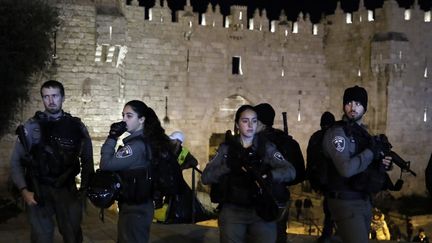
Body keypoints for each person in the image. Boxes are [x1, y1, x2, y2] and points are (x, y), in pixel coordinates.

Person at [10, 80, 94, 243]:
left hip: (67, 191)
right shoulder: (31, 127)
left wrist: (84, 192)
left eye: (54, 96)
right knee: (41, 238)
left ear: (63, 97)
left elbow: (87, 160)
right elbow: (15, 161)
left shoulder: (77, 127)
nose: (50, 101)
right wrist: (24, 190)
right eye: (46, 97)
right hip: (39, 192)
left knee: (73, 236)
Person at [201, 104, 296, 243]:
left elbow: (290, 171)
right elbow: (206, 176)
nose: (250, 125)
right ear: (237, 124)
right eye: (245, 121)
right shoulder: (226, 149)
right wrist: (228, 166)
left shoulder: (267, 147)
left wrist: (269, 175)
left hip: (261, 210)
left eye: (254, 121)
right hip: (233, 210)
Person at [321, 85, 393, 243]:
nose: (353, 108)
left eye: (358, 104)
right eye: (349, 103)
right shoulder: (337, 133)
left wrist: (381, 163)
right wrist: (371, 153)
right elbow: (346, 169)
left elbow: (367, 162)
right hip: (345, 201)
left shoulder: (364, 134)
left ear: (364, 108)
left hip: (363, 201)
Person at [100, 100, 171, 243]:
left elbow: (105, 164)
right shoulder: (147, 140)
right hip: (141, 205)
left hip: (134, 208)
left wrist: (112, 137)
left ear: (141, 119)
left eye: (129, 116)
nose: (124, 119)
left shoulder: (135, 147)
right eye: (123, 115)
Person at [254, 102, 306, 243]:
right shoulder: (283, 139)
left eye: (254, 120)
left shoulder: (260, 141)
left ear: (261, 122)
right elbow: (298, 173)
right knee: (279, 232)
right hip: (281, 195)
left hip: (265, 196)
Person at [306, 111, 336, 243]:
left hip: (321, 180)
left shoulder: (315, 137)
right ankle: (328, 234)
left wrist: (312, 181)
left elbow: (310, 160)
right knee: (333, 208)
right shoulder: (335, 136)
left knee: (328, 207)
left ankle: (327, 234)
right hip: (334, 179)